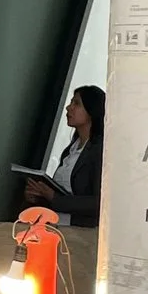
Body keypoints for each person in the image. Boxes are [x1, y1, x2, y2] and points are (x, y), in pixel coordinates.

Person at [23, 84, 104, 227]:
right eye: (71, 102)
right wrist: (39, 195)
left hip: (81, 232)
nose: (68, 107)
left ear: (92, 110)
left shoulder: (99, 152)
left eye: (76, 103)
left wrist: (54, 197)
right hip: (56, 224)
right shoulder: (70, 149)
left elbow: (100, 202)